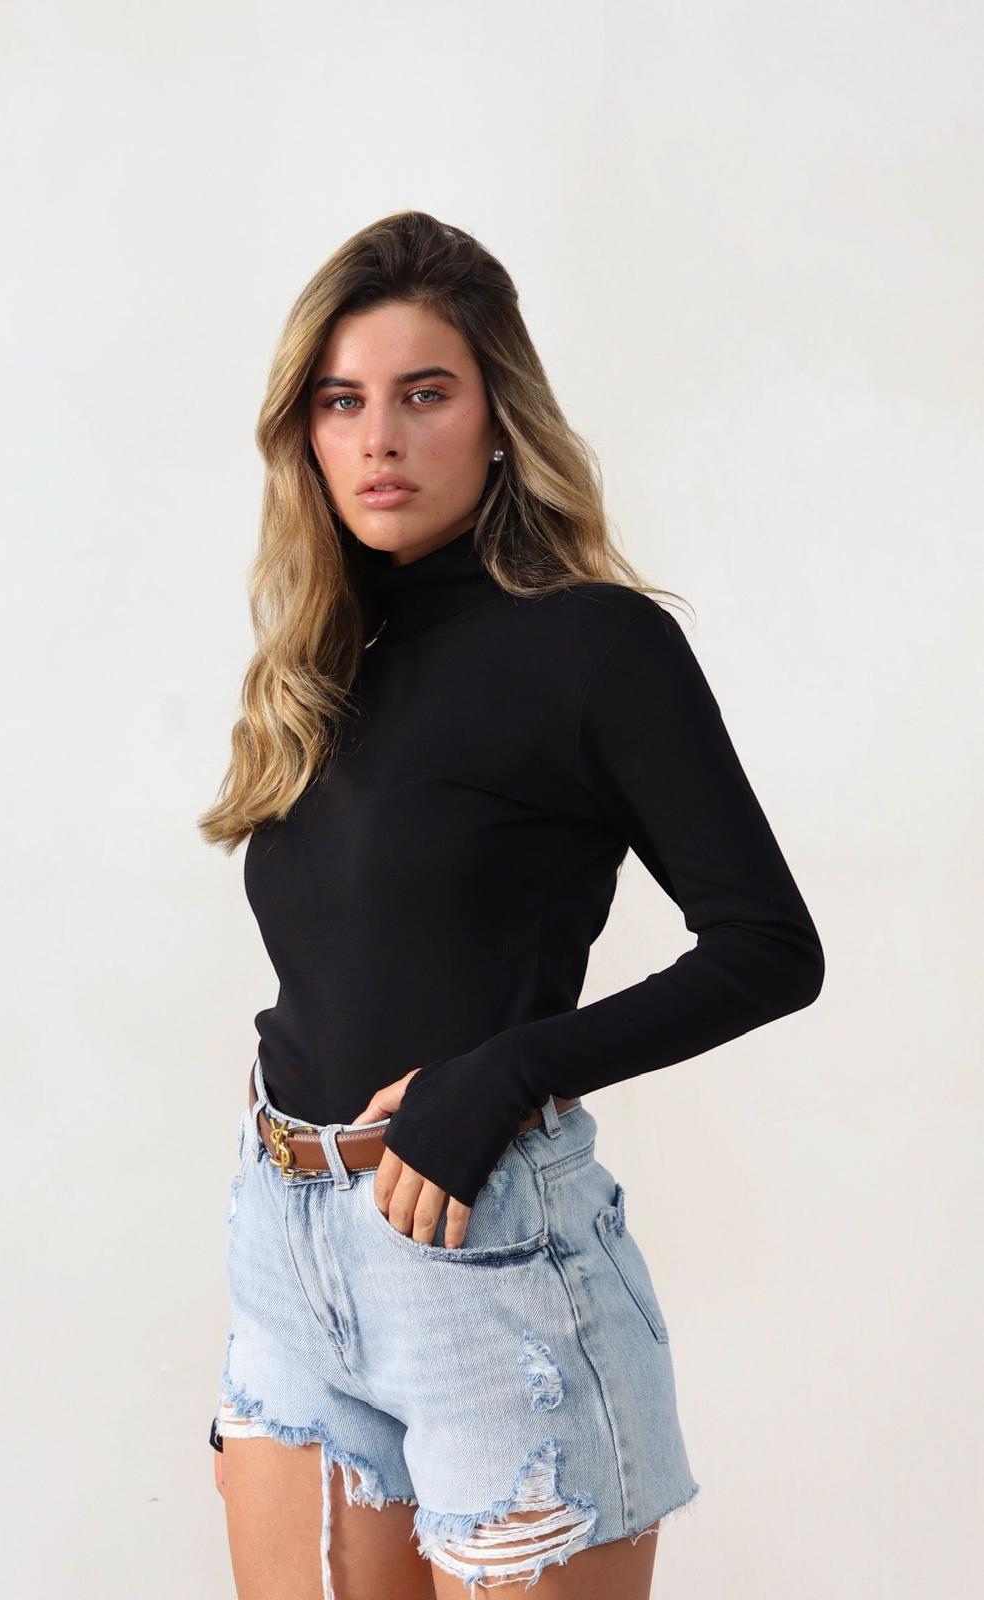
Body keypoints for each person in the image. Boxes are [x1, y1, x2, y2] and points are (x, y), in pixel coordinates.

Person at [197, 210, 824, 1600]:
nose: (379, 439)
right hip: (287, 1249)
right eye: (341, 403)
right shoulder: (321, 655)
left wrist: (505, 1071)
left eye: (424, 395)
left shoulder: (596, 645)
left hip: (488, 1262)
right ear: (304, 432)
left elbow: (771, 949)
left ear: (496, 418)